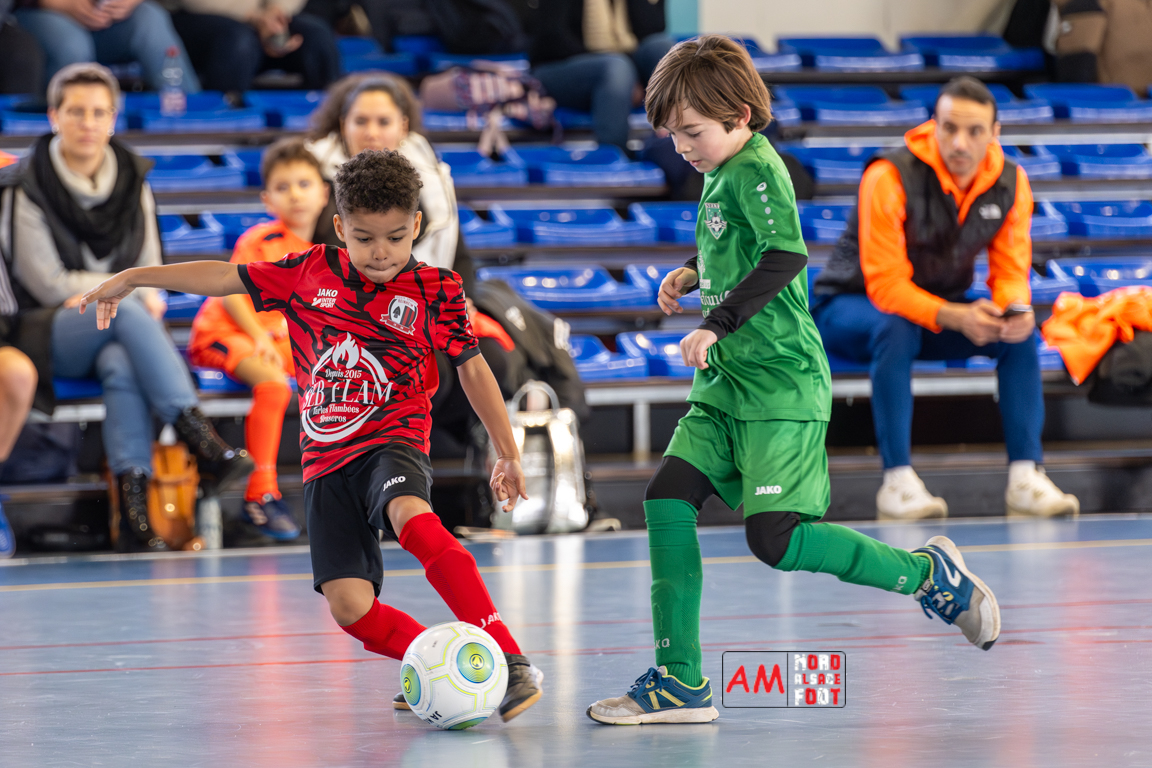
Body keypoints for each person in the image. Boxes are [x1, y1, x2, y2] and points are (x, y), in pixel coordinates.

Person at [586, 36, 1002, 726]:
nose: (680, 146)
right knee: (667, 498)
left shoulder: (758, 166)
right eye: (671, 133)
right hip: (727, 384)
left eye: (691, 131)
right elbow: (738, 242)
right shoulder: (721, 168)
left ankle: (929, 576)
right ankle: (680, 680)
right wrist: (693, 270)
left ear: (740, 116)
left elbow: (784, 254)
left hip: (779, 383)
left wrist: (715, 322)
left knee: (774, 540)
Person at [80, 148, 545, 722]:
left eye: (396, 238)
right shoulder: (306, 271)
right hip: (325, 463)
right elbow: (224, 276)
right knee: (350, 608)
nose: (381, 253)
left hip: (393, 441)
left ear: (417, 226)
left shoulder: (437, 289)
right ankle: (439, 662)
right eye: (366, 238)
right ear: (341, 227)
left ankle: (508, 657)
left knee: (411, 515)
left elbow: (473, 370)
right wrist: (134, 276)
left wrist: (507, 452)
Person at [1, 63, 251, 553]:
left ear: (114, 119)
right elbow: (48, 284)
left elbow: (151, 270)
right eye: (76, 111)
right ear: (54, 116)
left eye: (99, 112)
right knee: (132, 311)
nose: (87, 122)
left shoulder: (134, 178)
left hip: (110, 327)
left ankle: (133, 518)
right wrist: (127, 288)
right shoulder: (24, 183)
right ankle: (202, 441)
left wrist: (126, 289)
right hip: (44, 330)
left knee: (121, 359)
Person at [811, 76, 1080, 521]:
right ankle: (897, 483)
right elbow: (886, 287)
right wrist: (956, 316)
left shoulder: (1011, 182)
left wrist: (1013, 308)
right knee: (895, 327)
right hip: (847, 307)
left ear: (994, 134)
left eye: (974, 131)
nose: (959, 143)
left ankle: (1026, 478)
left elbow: (1010, 272)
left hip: (933, 313)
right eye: (949, 128)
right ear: (933, 124)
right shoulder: (889, 175)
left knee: (1017, 334)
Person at [187, 139, 329, 541]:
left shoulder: (322, 254)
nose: (295, 194)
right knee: (273, 384)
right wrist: (258, 336)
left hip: (272, 342)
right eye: (283, 187)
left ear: (324, 193)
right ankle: (260, 494)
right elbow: (230, 293)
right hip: (225, 335)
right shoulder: (262, 240)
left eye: (304, 184)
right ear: (267, 199)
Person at [523, 0, 674, 151]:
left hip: (622, 64)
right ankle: (615, 155)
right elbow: (552, 37)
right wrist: (625, 75)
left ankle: (675, 146)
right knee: (616, 68)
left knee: (662, 48)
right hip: (559, 67)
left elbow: (653, 29)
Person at [14, 0, 199, 93]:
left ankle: (190, 122)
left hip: (109, 18)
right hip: (39, 11)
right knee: (71, 45)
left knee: (150, 19)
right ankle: (71, 129)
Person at [171, 0, 340, 93]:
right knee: (239, 41)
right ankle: (225, 120)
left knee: (317, 36)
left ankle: (328, 120)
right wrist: (256, 17)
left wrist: (277, 10)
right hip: (194, 16)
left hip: (266, 15)